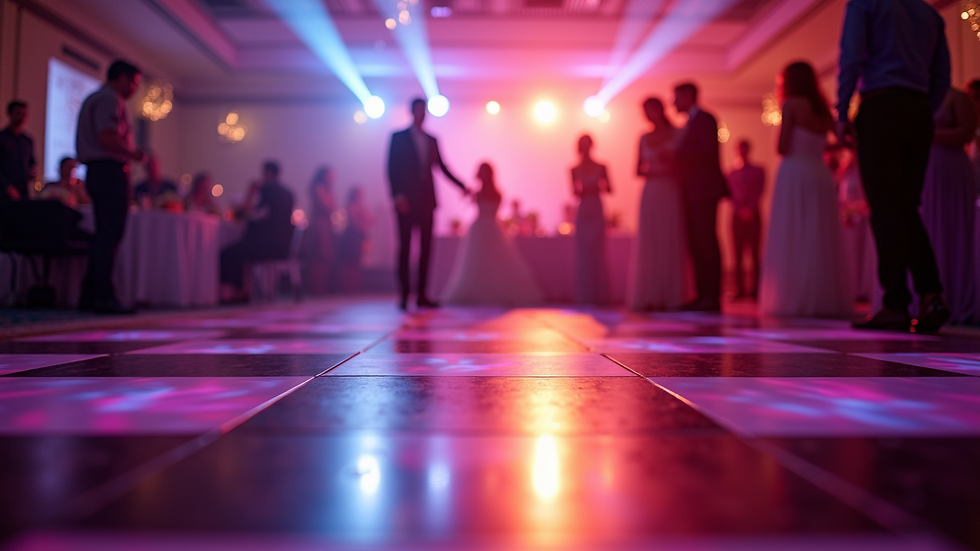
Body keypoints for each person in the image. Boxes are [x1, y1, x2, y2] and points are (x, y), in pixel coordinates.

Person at [836, 0, 951, 332]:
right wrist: (921, 108)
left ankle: (895, 304)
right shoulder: (930, 13)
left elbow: (851, 56)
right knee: (907, 206)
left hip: (880, 106)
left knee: (886, 207)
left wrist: (842, 112)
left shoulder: (865, 4)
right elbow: (942, 75)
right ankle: (931, 294)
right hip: (917, 109)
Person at [760, 61, 852, 318]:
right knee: (818, 234)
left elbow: (782, 147)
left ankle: (793, 297)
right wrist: (816, 147)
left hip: (794, 173)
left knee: (793, 232)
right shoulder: (823, 109)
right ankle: (822, 296)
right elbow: (841, 142)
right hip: (818, 174)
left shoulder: (790, 105)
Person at [75, 60, 145, 314]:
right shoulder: (109, 99)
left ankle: (92, 294)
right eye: (135, 82)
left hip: (98, 172)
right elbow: (108, 137)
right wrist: (135, 154)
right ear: (123, 78)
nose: (136, 89)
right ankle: (101, 296)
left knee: (104, 235)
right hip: (109, 171)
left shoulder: (97, 97)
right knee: (109, 236)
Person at [387, 98, 468, 310]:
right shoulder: (398, 138)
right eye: (419, 110)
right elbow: (391, 169)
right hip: (405, 203)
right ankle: (404, 294)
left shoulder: (432, 140)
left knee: (426, 249)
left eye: (424, 111)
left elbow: (442, 167)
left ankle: (422, 293)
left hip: (426, 203)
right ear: (412, 112)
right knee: (405, 248)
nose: (422, 114)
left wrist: (462, 186)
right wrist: (398, 196)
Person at [442, 163, 543, 305]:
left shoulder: (491, 193)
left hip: (489, 230)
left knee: (493, 263)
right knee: (477, 263)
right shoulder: (487, 193)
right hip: (483, 230)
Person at [920, 88, 978, 324]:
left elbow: (966, 133)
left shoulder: (957, 97)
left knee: (953, 231)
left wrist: (927, 133)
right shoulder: (911, 94)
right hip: (921, 166)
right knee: (923, 226)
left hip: (950, 168)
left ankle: (953, 298)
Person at [672, 82, 728, 311]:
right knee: (696, 242)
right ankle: (702, 293)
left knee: (706, 241)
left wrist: (676, 154)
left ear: (687, 96)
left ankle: (712, 295)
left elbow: (706, 150)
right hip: (693, 191)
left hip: (704, 190)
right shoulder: (691, 122)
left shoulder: (705, 119)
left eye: (676, 97)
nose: (673, 102)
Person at [629, 97, 686, 311]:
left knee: (670, 237)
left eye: (648, 110)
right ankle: (651, 294)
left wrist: (670, 164)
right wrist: (656, 168)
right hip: (651, 191)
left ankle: (672, 294)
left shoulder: (678, 133)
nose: (646, 115)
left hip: (671, 190)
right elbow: (637, 170)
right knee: (651, 241)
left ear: (658, 109)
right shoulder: (643, 137)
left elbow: (685, 165)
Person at [219, 160, 295, 302]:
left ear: (268, 172)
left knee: (228, 254)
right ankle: (245, 290)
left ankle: (238, 292)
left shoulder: (267, 189)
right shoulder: (289, 193)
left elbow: (260, 214)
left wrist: (247, 204)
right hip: (283, 246)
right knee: (238, 251)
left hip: (265, 244)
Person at [571, 135, 611, 305]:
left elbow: (610, 188)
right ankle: (585, 294)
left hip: (596, 207)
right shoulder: (573, 169)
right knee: (584, 252)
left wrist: (596, 187)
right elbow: (574, 192)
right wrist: (586, 190)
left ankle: (600, 295)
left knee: (597, 251)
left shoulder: (602, 167)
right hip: (583, 209)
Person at [726, 140, 765, 299]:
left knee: (755, 254)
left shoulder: (758, 171)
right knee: (738, 254)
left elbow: (761, 190)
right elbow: (729, 194)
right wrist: (740, 208)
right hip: (737, 216)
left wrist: (750, 207)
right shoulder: (731, 173)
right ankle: (740, 289)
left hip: (754, 214)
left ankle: (757, 289)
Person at [304, 166, 337, 295]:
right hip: (319, 226)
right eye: (329, 175)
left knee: (325, 256)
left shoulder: (326, 190)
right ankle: (315, 288)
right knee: (319, 256)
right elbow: (327, 206)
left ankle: (321, 287)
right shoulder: (318, 188)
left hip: (326, 225)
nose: (332, 178)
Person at [336, 186, 373, 293]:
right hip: (351, 238)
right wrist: (363, 224)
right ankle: (346, 287)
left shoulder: (362, 207)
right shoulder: (350, 206)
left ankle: (355, 287)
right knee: (349, 262)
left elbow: (371, 220)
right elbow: (354, 222)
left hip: (359, 238)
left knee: (357, 262)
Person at [0, 100, 37, 201]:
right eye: (18, 113)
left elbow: (31, 162)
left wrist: (32, 171)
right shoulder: (2, 138)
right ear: (9, 113)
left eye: (24, 114)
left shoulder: (28, 140)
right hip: (3, 192)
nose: (21, 117)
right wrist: (7, 187)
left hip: (23, 191)